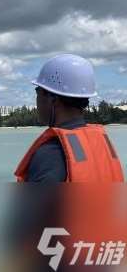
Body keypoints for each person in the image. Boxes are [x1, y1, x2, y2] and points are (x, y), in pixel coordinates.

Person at [14, 54, 124, 182]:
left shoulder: (50, 155)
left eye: (38, 91)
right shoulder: (102, 146)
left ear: (53, 99)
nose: (36, 99)